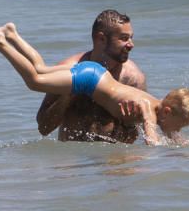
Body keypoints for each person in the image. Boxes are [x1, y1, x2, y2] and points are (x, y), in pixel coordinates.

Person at [0, 22, 189, 146]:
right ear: (166, 111)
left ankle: (12, 34)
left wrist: (181, 144)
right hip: (91, 80)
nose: (175, 131)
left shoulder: (156, 105)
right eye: (178, 126)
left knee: (41, 69)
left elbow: (165, 132)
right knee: (35, 80)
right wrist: (156, 149)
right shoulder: (149, 108)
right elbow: (151, 137)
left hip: (96, 74)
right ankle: (1, 43)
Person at [36, 10, 147, 143]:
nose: (131, 44)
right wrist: (69, 94)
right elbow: (44, 128)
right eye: (124, 38)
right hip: (73, 156)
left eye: (131, 37)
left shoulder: (132, 79)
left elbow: (132, 139)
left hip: (112, 159)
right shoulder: (70, 70)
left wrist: (130, 123)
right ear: (101, 39)